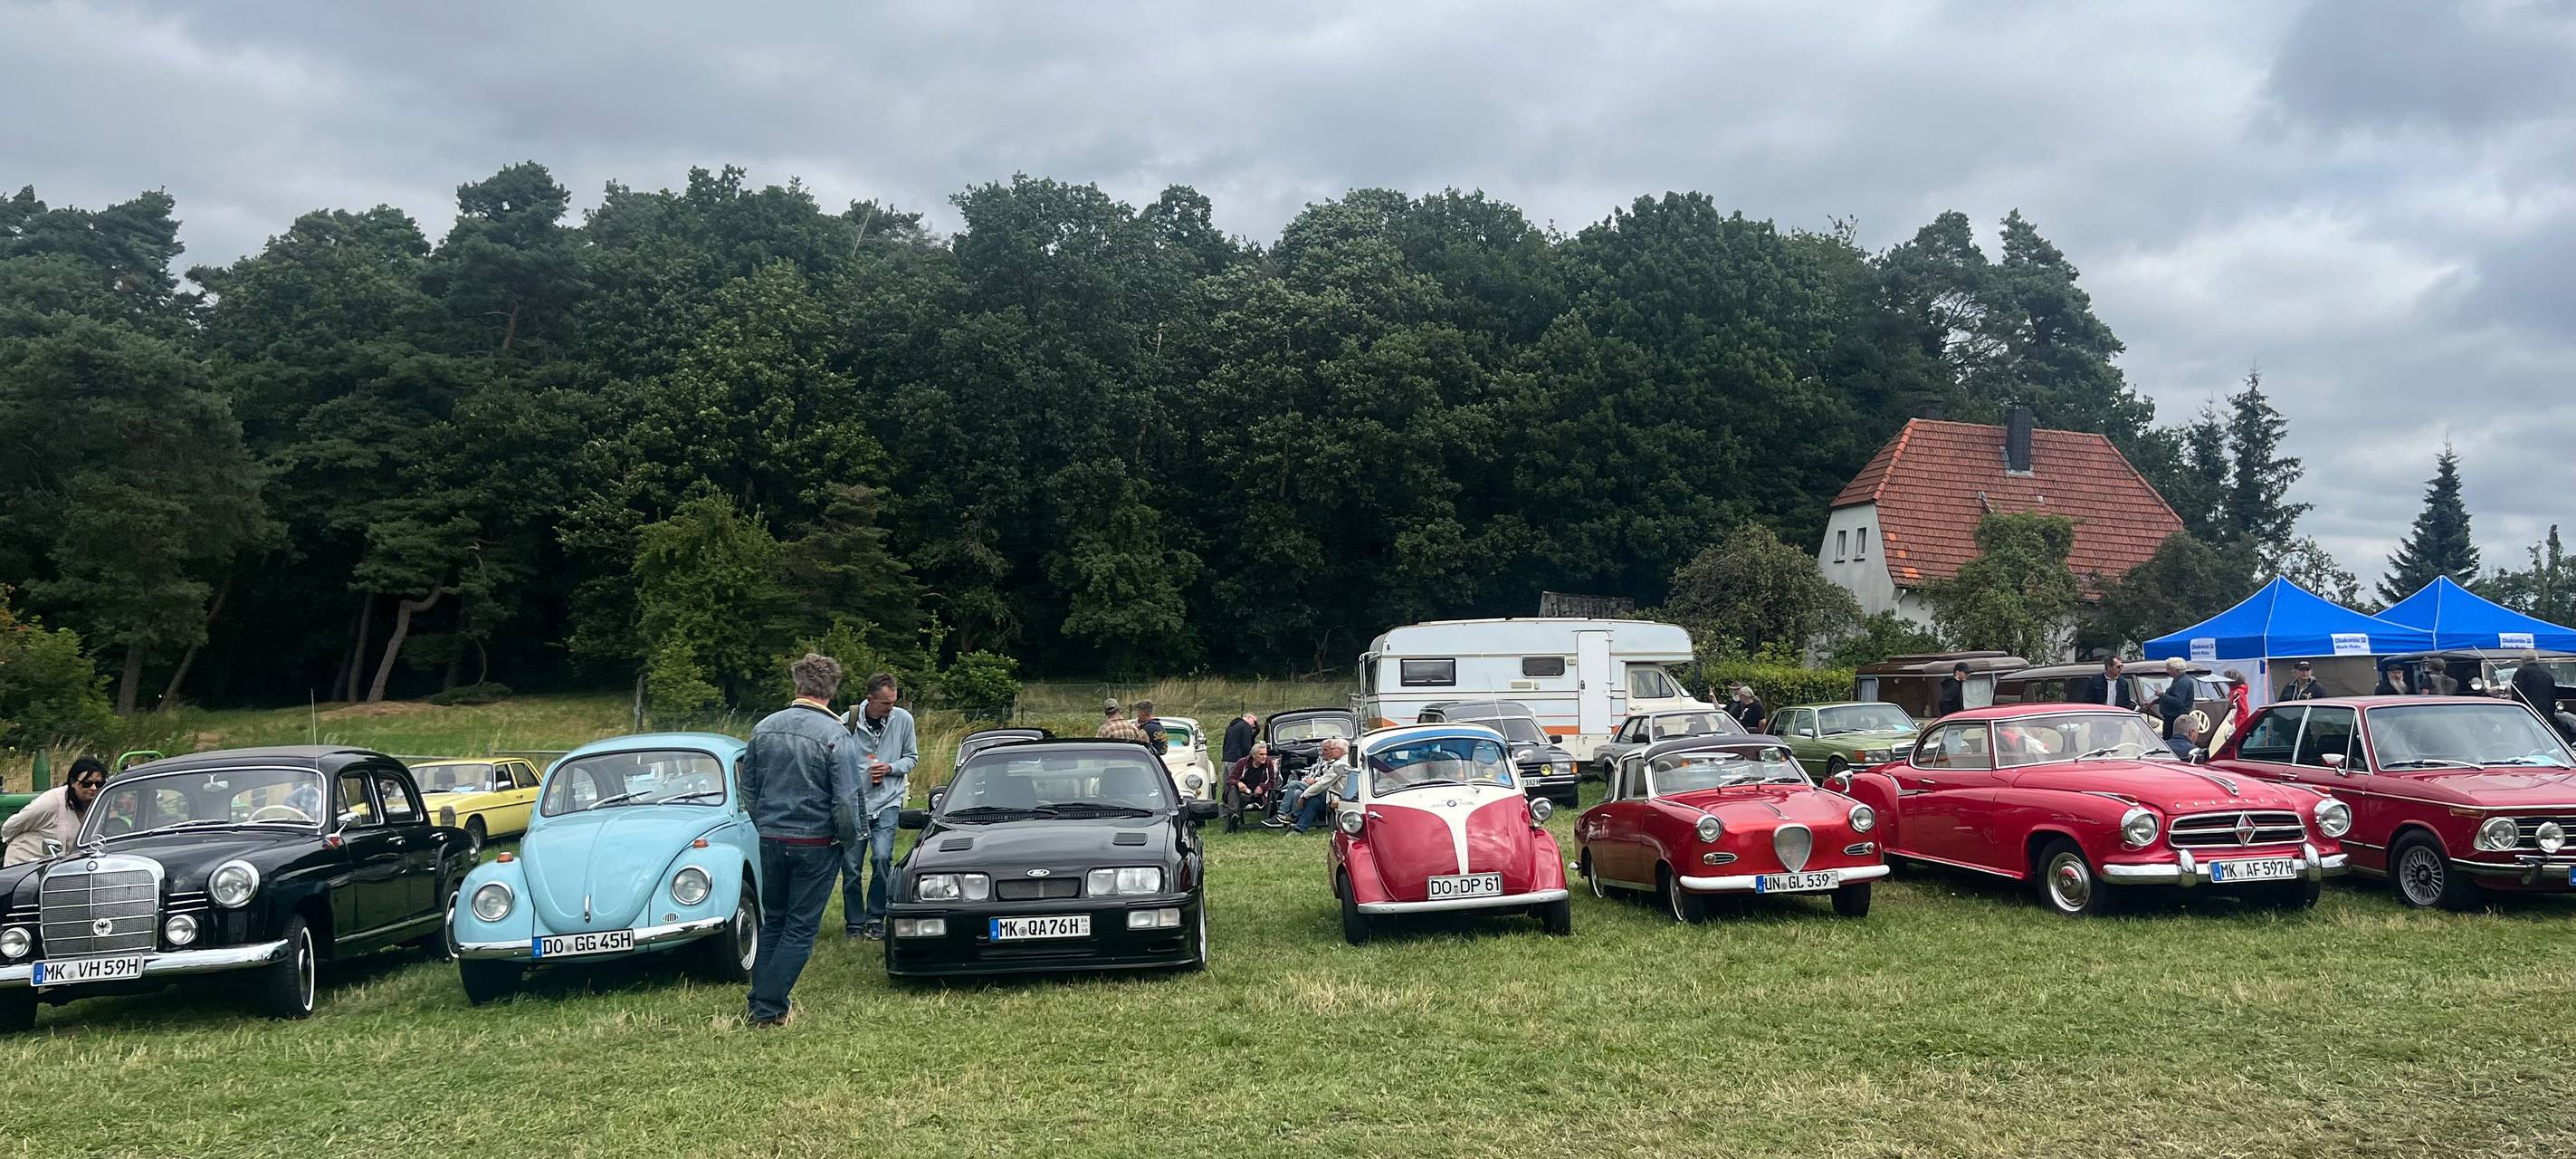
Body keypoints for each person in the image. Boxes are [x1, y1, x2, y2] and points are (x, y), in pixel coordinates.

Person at [740, 654, 862, 1028]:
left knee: (774, 921)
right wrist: (847, 839)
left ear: (797, 684)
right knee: (800, 929)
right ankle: (768, 1006)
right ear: (832, 690)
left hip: (772, 838)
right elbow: (845, 800)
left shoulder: (764, 728)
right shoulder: (836, 735)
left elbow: (749, 788)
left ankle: (761, 998)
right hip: (816, 842)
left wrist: (766, 824)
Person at [841, 671, 918, 941]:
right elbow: (837, 762)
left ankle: (876, 918)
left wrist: (890, 768)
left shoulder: (903, 720)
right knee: (851, 866)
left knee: (882, 857)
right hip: (855, 803)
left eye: (893, 702)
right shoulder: (847, 722)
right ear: (870, 699)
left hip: (888, 801)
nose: (891, 708)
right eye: (885, 703)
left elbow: (912, 758)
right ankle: (854, 922)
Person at [3, 757, 105, 866]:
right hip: (25, 863)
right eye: (87, 784)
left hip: (63, 865)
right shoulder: (51, 801)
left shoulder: (102, 801)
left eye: (99, 784)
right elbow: (10, 827)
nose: (94, 788)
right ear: (73, 782)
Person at [1269, 737, 1351, 833]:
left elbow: (1323, 784)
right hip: (1335, 793)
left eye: (1332, 749)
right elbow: (1324, 779)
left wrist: (1304, 796)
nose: (1330, 751)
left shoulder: (1339, 765)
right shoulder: (1346, 760)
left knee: (1294, 785)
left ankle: (1282, 815)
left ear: (1339, 750)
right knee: (1313, 801)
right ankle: (1298, 827)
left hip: (1337, 795)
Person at [1225, 742, 1282, 824]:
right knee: (1233, 788)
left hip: (1258, 797)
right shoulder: (1242, 762)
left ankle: (1233, 816)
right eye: (1261, 754)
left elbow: (1272, 782)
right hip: (1242, 794)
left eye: (1266, 754)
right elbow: (1230, 779)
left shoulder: (1268, 763)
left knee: (1235, 798)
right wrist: (1238, 783)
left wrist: (1262, 787)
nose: (1264, 757)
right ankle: (1233, 815)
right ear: (1254, 755)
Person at [2153, 658, 2197, 742]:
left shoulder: (2183, 682)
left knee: (2172, 741)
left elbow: (2178, 701)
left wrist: (2161, 694)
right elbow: (2172, 696)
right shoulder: (2179, 680)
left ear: (2176, 669)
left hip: (2175, 718)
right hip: (2172, 717)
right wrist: (2154, 702)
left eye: (2169, 669)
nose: (2167, 671)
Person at [2513, 650, 2563, 716]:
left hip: (2527, 713)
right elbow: (2552, 697)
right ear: (2537, 659)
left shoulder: (2520, 674)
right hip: (2546, 714)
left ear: (2522, 660)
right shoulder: (2547, 676)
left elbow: (2516, 695)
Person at [2220, 668, 2253, 737]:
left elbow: (2244, 711)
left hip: (2235, 725)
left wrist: (2239, 728)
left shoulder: (2237, 693)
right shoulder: (2234, 692)